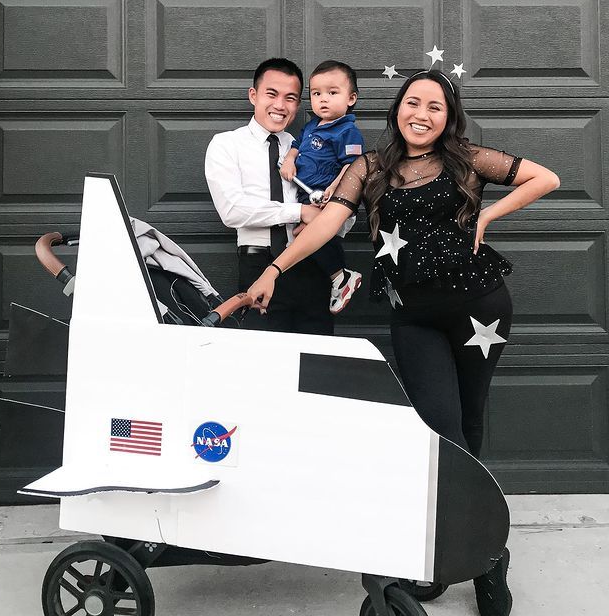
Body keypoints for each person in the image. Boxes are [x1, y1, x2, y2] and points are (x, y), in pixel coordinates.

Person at [246, 68, 560, 616]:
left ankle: (487, 556)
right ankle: (448, 553)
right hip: (413, 318)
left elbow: (545, 178)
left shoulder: (467, 159)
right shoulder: (367, 168)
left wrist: (488, 212)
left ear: (448, 117)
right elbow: (323, 226)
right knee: (440, 433)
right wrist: (274, 267)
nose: (422, 114)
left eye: (435, 107)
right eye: (413, 102)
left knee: (470, 426)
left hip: (478, 309)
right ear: (397, 109)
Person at [204, 57, 334, 335]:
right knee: (265, 364)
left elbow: (331, 207)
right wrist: (299, 212)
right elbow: (232, 211)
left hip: (311, 264)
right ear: (253, 95)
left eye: (290, 98)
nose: (280, 105)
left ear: (298, 105)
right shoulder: (227, 144)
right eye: (271, 94)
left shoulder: (306, 147)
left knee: (317, 360)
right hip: (258, 265)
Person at [280, 60, 365, 314]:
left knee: (307, 235)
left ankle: (341, 276)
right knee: (303, 236)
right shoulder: (312, 125)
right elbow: (297, 144)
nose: (323, 100)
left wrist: (333, 191)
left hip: (332, 200)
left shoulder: (347, 132)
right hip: (308, 197)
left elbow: (352, 167)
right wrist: (290, 159)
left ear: (351, 98)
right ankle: (337, 276)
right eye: (316, 94)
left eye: (332, 92)